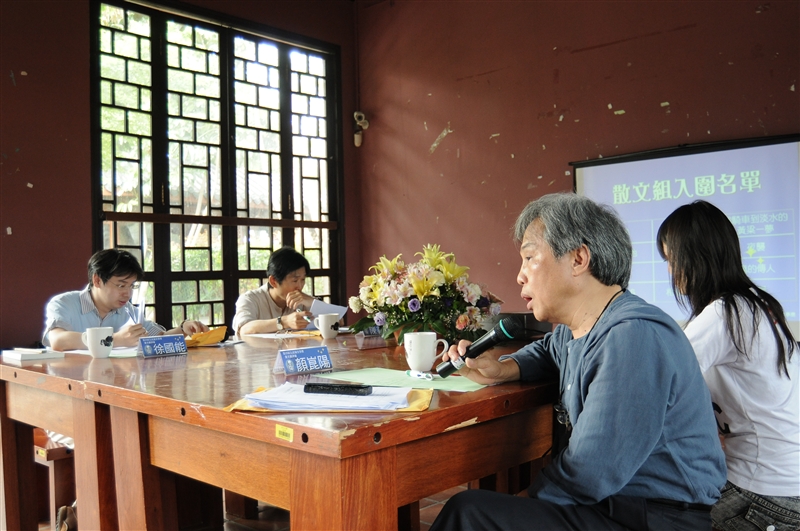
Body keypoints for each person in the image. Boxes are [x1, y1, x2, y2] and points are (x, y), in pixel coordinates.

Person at [432, 193, 726, 531]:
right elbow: (548, 351)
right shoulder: (580, 328)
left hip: (653, 517)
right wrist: (503, 369)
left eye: (529, 258)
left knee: (469, 514)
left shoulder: (631, 335)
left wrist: (522, 502)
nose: (520, 276)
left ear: (578, 259)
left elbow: (592, 470)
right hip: (613, 505)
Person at [657, 200, 799, 531]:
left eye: (672, 260)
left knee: (659, 514)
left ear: (695, 258)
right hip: (785, 483)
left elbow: (661, 381)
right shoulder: (757, 303)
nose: (670, 272)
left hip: (767, 492)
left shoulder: (724, 314)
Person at [43, 249, 208, 351]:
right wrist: (114, 340)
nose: (127, 294)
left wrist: (183, 329)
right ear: (97, 280)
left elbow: (160, 336)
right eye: (121, 285)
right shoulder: (64, 303)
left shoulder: (128, 310)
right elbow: (57, 340)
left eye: (131, 286)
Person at [232, 247, 315, 336]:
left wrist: (312, 302)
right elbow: (244, 329)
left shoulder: (304, 301)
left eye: (303, 279)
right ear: (273, 281)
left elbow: (326, 323)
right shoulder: (250, 299)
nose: (300, 286)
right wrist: (284, 322)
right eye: (295, 280)